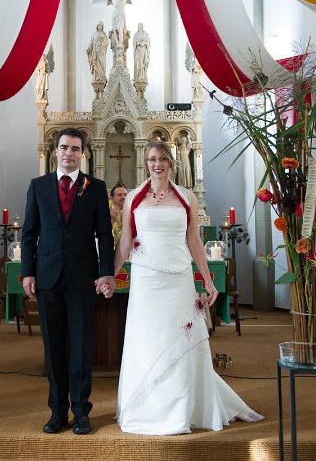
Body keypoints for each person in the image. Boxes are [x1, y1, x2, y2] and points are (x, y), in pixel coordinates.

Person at [109, 141, 263, 435]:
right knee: (147, 339)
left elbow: (193, 240)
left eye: (162, 159)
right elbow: (125, 242)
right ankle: (145, 407)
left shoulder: (186, 196)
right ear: (146, 163)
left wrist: (207, 280)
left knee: (180, 339)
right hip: (146, 281)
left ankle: (181, 410)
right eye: (152, 159)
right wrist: (110, 276)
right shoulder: (133, 198)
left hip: (178, 279)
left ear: (171, 162)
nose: (157, 164)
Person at [21, 128, 115, 435]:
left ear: (82, 153)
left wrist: (106, 272)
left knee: (80, 348)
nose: (68, 153)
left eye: (75, 148)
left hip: (82, 278)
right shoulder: (38, 186)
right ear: (55, 151)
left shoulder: (95, 188)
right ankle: (57, 412)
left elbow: (105, 234)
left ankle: (82, 412)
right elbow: (29, 233)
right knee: (53, 349)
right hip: (47, 276)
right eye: (64, 147)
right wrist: (28, 271)